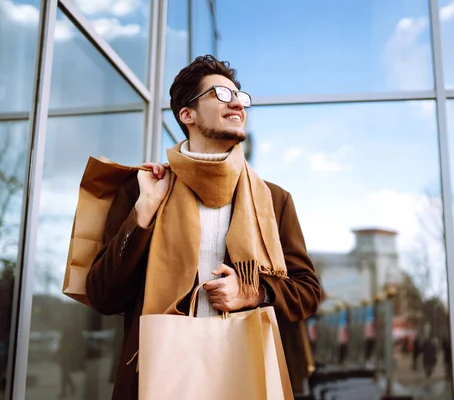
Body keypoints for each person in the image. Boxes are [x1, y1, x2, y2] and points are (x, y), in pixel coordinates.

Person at [86, 54, 322, 399]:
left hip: (244, 374)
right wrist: (144, 212)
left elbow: (308, 292)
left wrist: (254, 292)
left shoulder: (274, 199)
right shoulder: (144, 189)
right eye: (221, 95)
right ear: (188, 115)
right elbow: (103, 295)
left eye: (239, 96)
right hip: (159, 376)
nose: (237, 104)